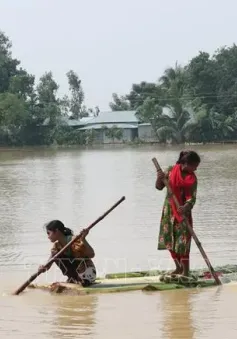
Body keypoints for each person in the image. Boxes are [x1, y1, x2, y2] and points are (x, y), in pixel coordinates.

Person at [155, 150, 200, 277]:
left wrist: (185, 207)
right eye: (194, 166)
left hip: (183, 213)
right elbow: (159, 187)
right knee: (169, 240)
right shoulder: (170, 170)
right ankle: (178, 267)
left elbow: (192, 198)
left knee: (183, 242)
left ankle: (186, 272)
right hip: (169, 211)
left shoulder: (192, 178)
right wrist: (159, 178)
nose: (195, 169)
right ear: (185, 163)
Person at [38, 220, 97, 287]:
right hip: (76, 276)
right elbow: (49, 264)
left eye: (48, 233)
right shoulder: (56, 246)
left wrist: (83, 239)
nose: (48, 236)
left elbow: (92, 254)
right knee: (55, 255)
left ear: (56, 231)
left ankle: (79, 280)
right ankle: (73, 279)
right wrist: (43, 268)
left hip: (88, 275)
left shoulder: (74, 240)